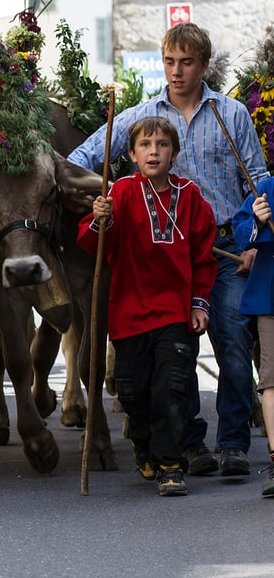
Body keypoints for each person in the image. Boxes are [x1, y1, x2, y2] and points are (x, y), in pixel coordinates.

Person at [69, 23, 268, 477]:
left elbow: (256, 182)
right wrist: (99, 204)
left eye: (187, 63)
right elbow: (80, 161)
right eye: (169, 62)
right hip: (164, 257)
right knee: (173, 353)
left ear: (204, 64)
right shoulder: (141, 116)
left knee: (234, 344)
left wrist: (256, 241)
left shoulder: (231, 114)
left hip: (226, 245)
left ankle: (234, 443)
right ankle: (190, 442)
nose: (177, 72)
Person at [77, 117, 217, 496]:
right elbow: (92, 246)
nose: (154, 151)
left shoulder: (190, 197)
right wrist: (99, 220)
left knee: (170, 390)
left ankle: (171, 465)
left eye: (162, 145)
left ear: (174, 152)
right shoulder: (119, 193)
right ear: (132, 154)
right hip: (129, 313)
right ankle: (144, 446)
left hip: (175, 312)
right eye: (145, 145)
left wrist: (199, 303)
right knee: (134, 394)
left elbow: (204, 259)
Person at [232, 178, 274, 495]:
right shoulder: (267, 189)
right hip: (271, 301)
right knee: (271, 380)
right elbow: (240, 235)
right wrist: (258, 220)